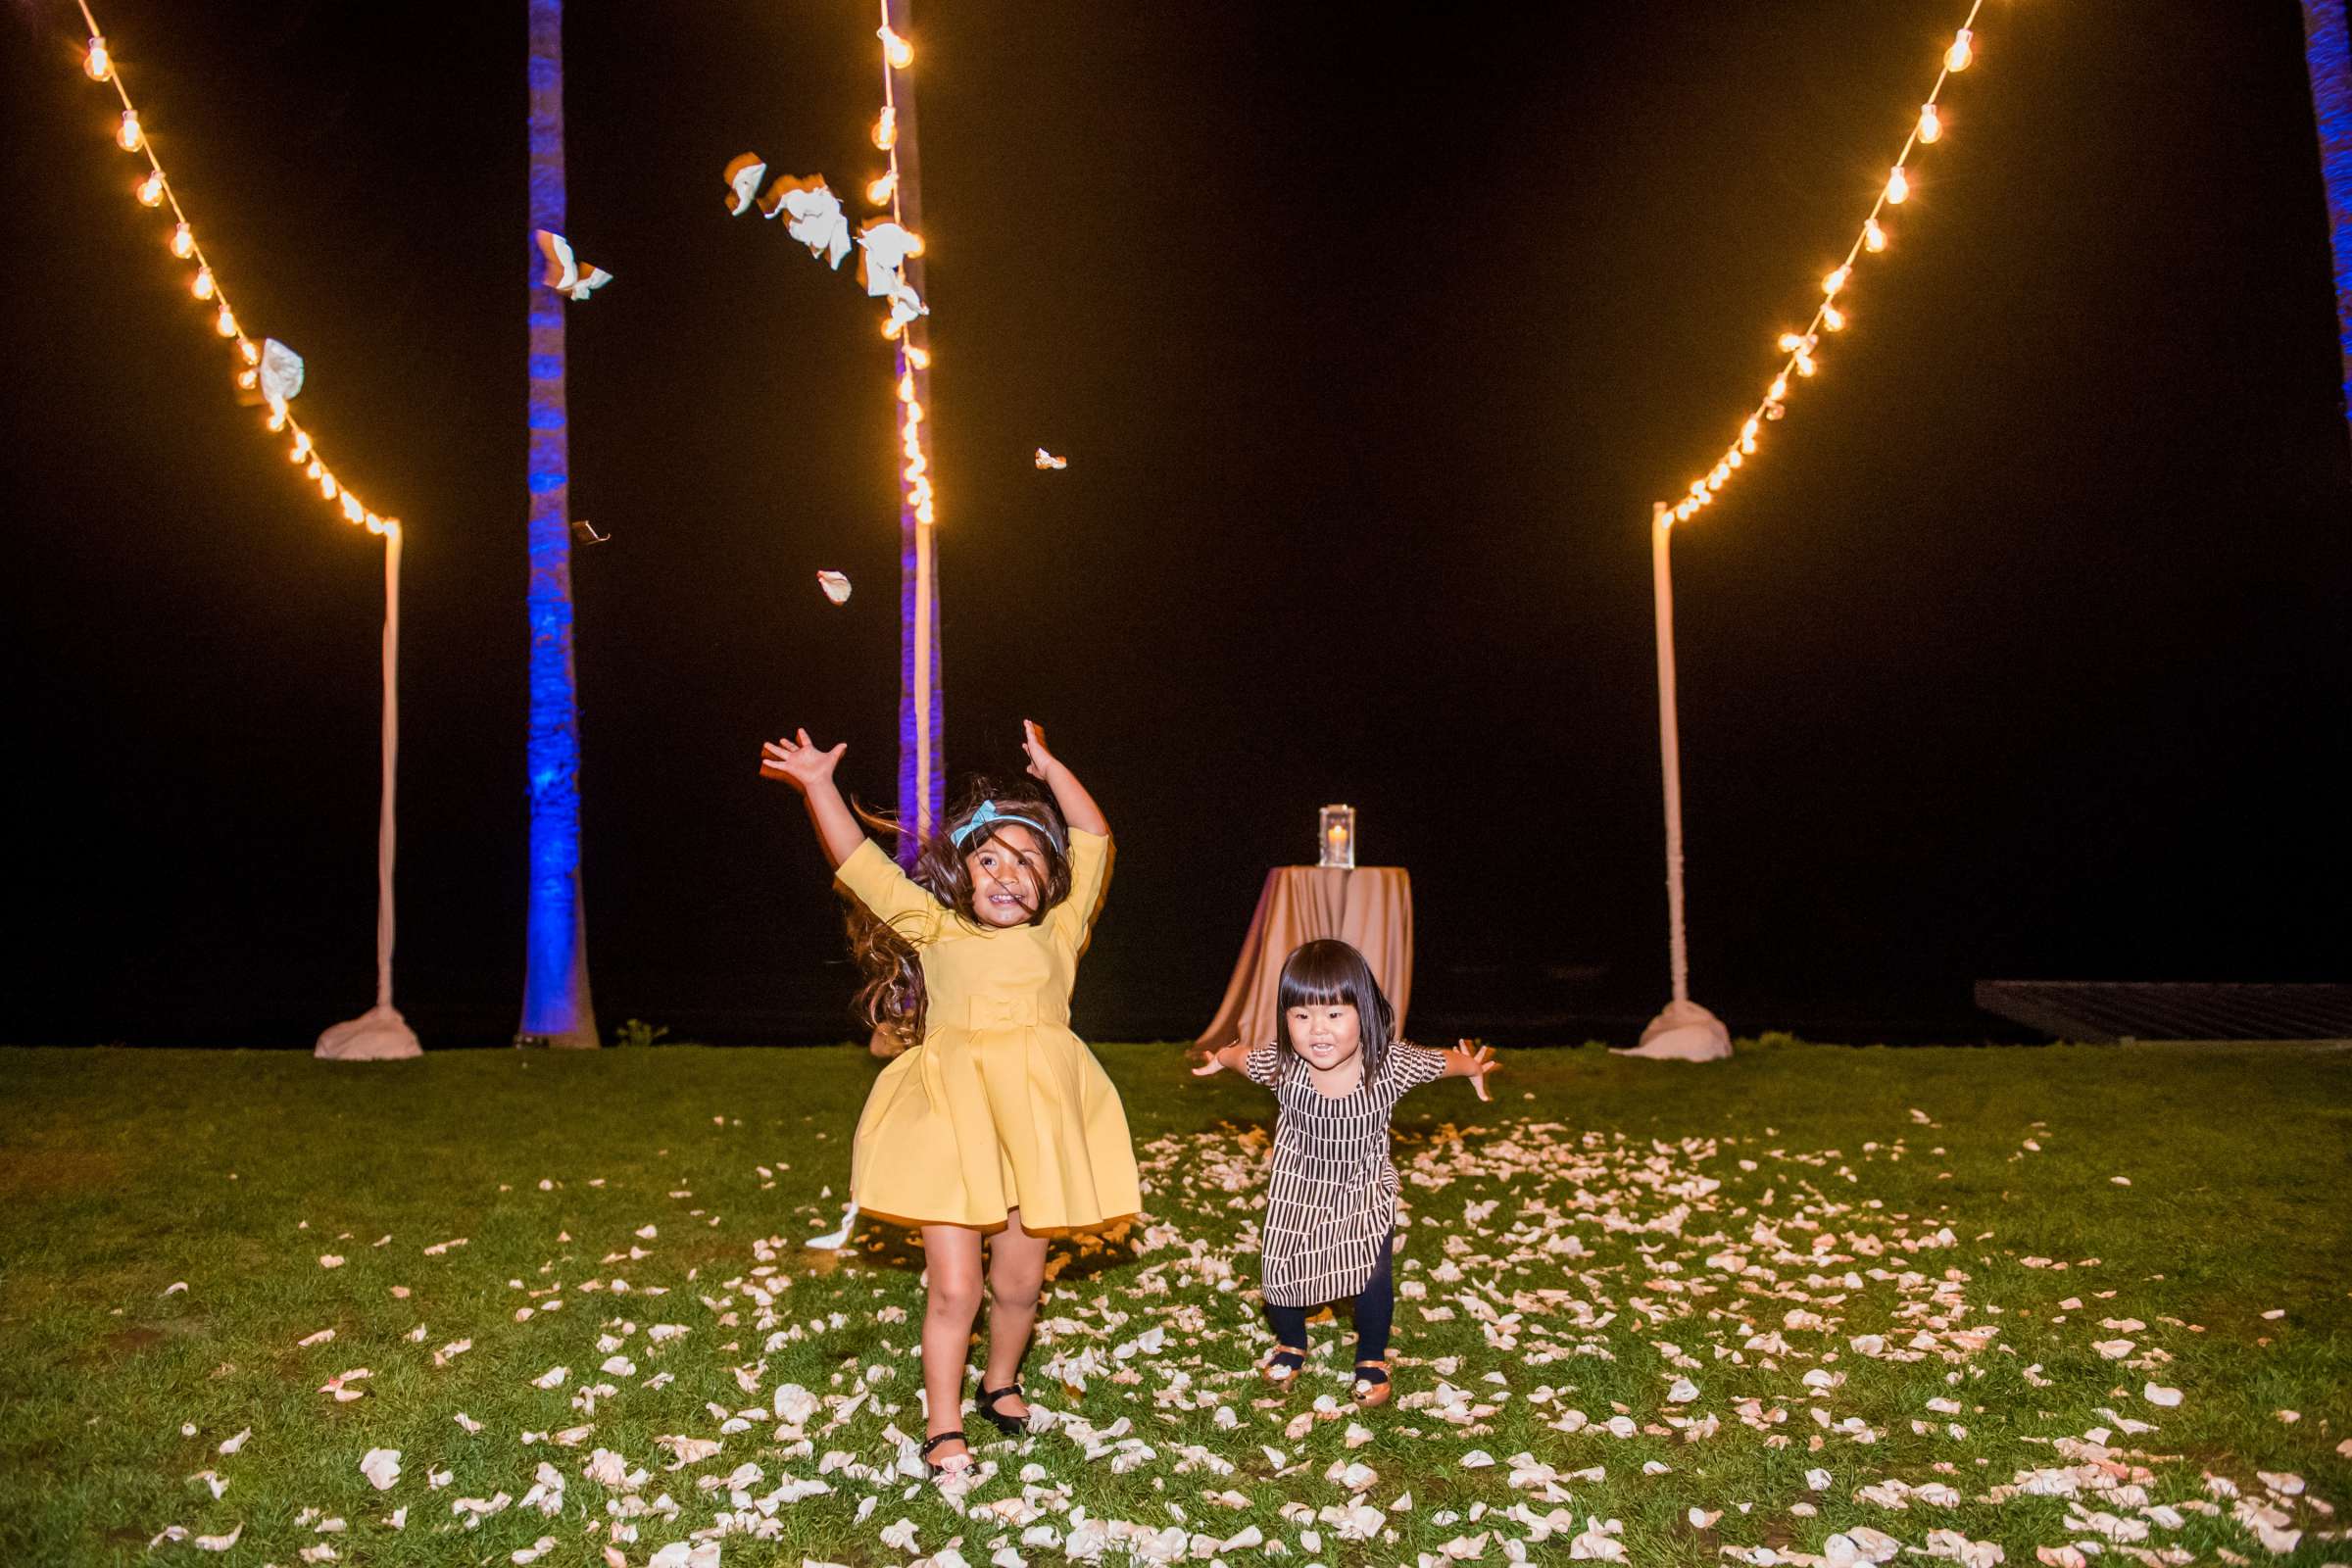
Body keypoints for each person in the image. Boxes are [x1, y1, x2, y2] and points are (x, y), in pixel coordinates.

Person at [760, 719, 1140, 1476]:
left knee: (1020, 1282)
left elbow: (1094, 836)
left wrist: (1054, 768)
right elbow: (859, 863)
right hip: (953, 1127)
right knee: (956, 1287)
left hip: (1034, 1127)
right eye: (989, 860)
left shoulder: (1061, 934)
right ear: (962, 877)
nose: (1006, 875)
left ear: (1051, 882)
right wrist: (817, 786)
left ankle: (1000, 1383)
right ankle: (942, 1423)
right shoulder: (935, 931)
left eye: (1028, 862)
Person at [1190, 938, 1499, 1406]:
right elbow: (1242, 1057)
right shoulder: (1282, 1065)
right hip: (1299, 1186)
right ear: (1286, 1019)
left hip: (1363, 1186)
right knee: (1279, 1276)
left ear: (1365, 1012)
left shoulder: (1390, 1065)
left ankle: (1371, 1357)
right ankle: (1291, 1343)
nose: (1318, 1029)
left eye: (1334, 1014)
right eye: (1301, 1015)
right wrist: (1220, 1057)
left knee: (1371, 1276)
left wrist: (1472, 1067)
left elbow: (1443, 1062)